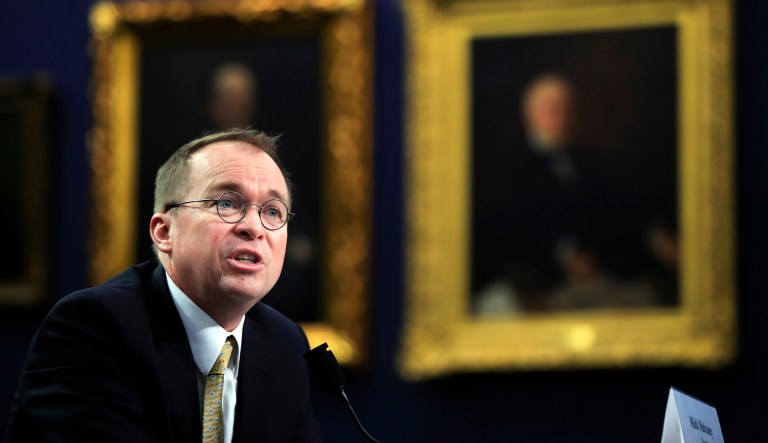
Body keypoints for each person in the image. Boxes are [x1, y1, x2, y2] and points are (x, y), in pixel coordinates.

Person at [4, 129, 322, 442]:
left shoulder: (285, 344)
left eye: (272, 211)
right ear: (164, 232)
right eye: (227, 203)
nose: (254, 227)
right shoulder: (92, 327)